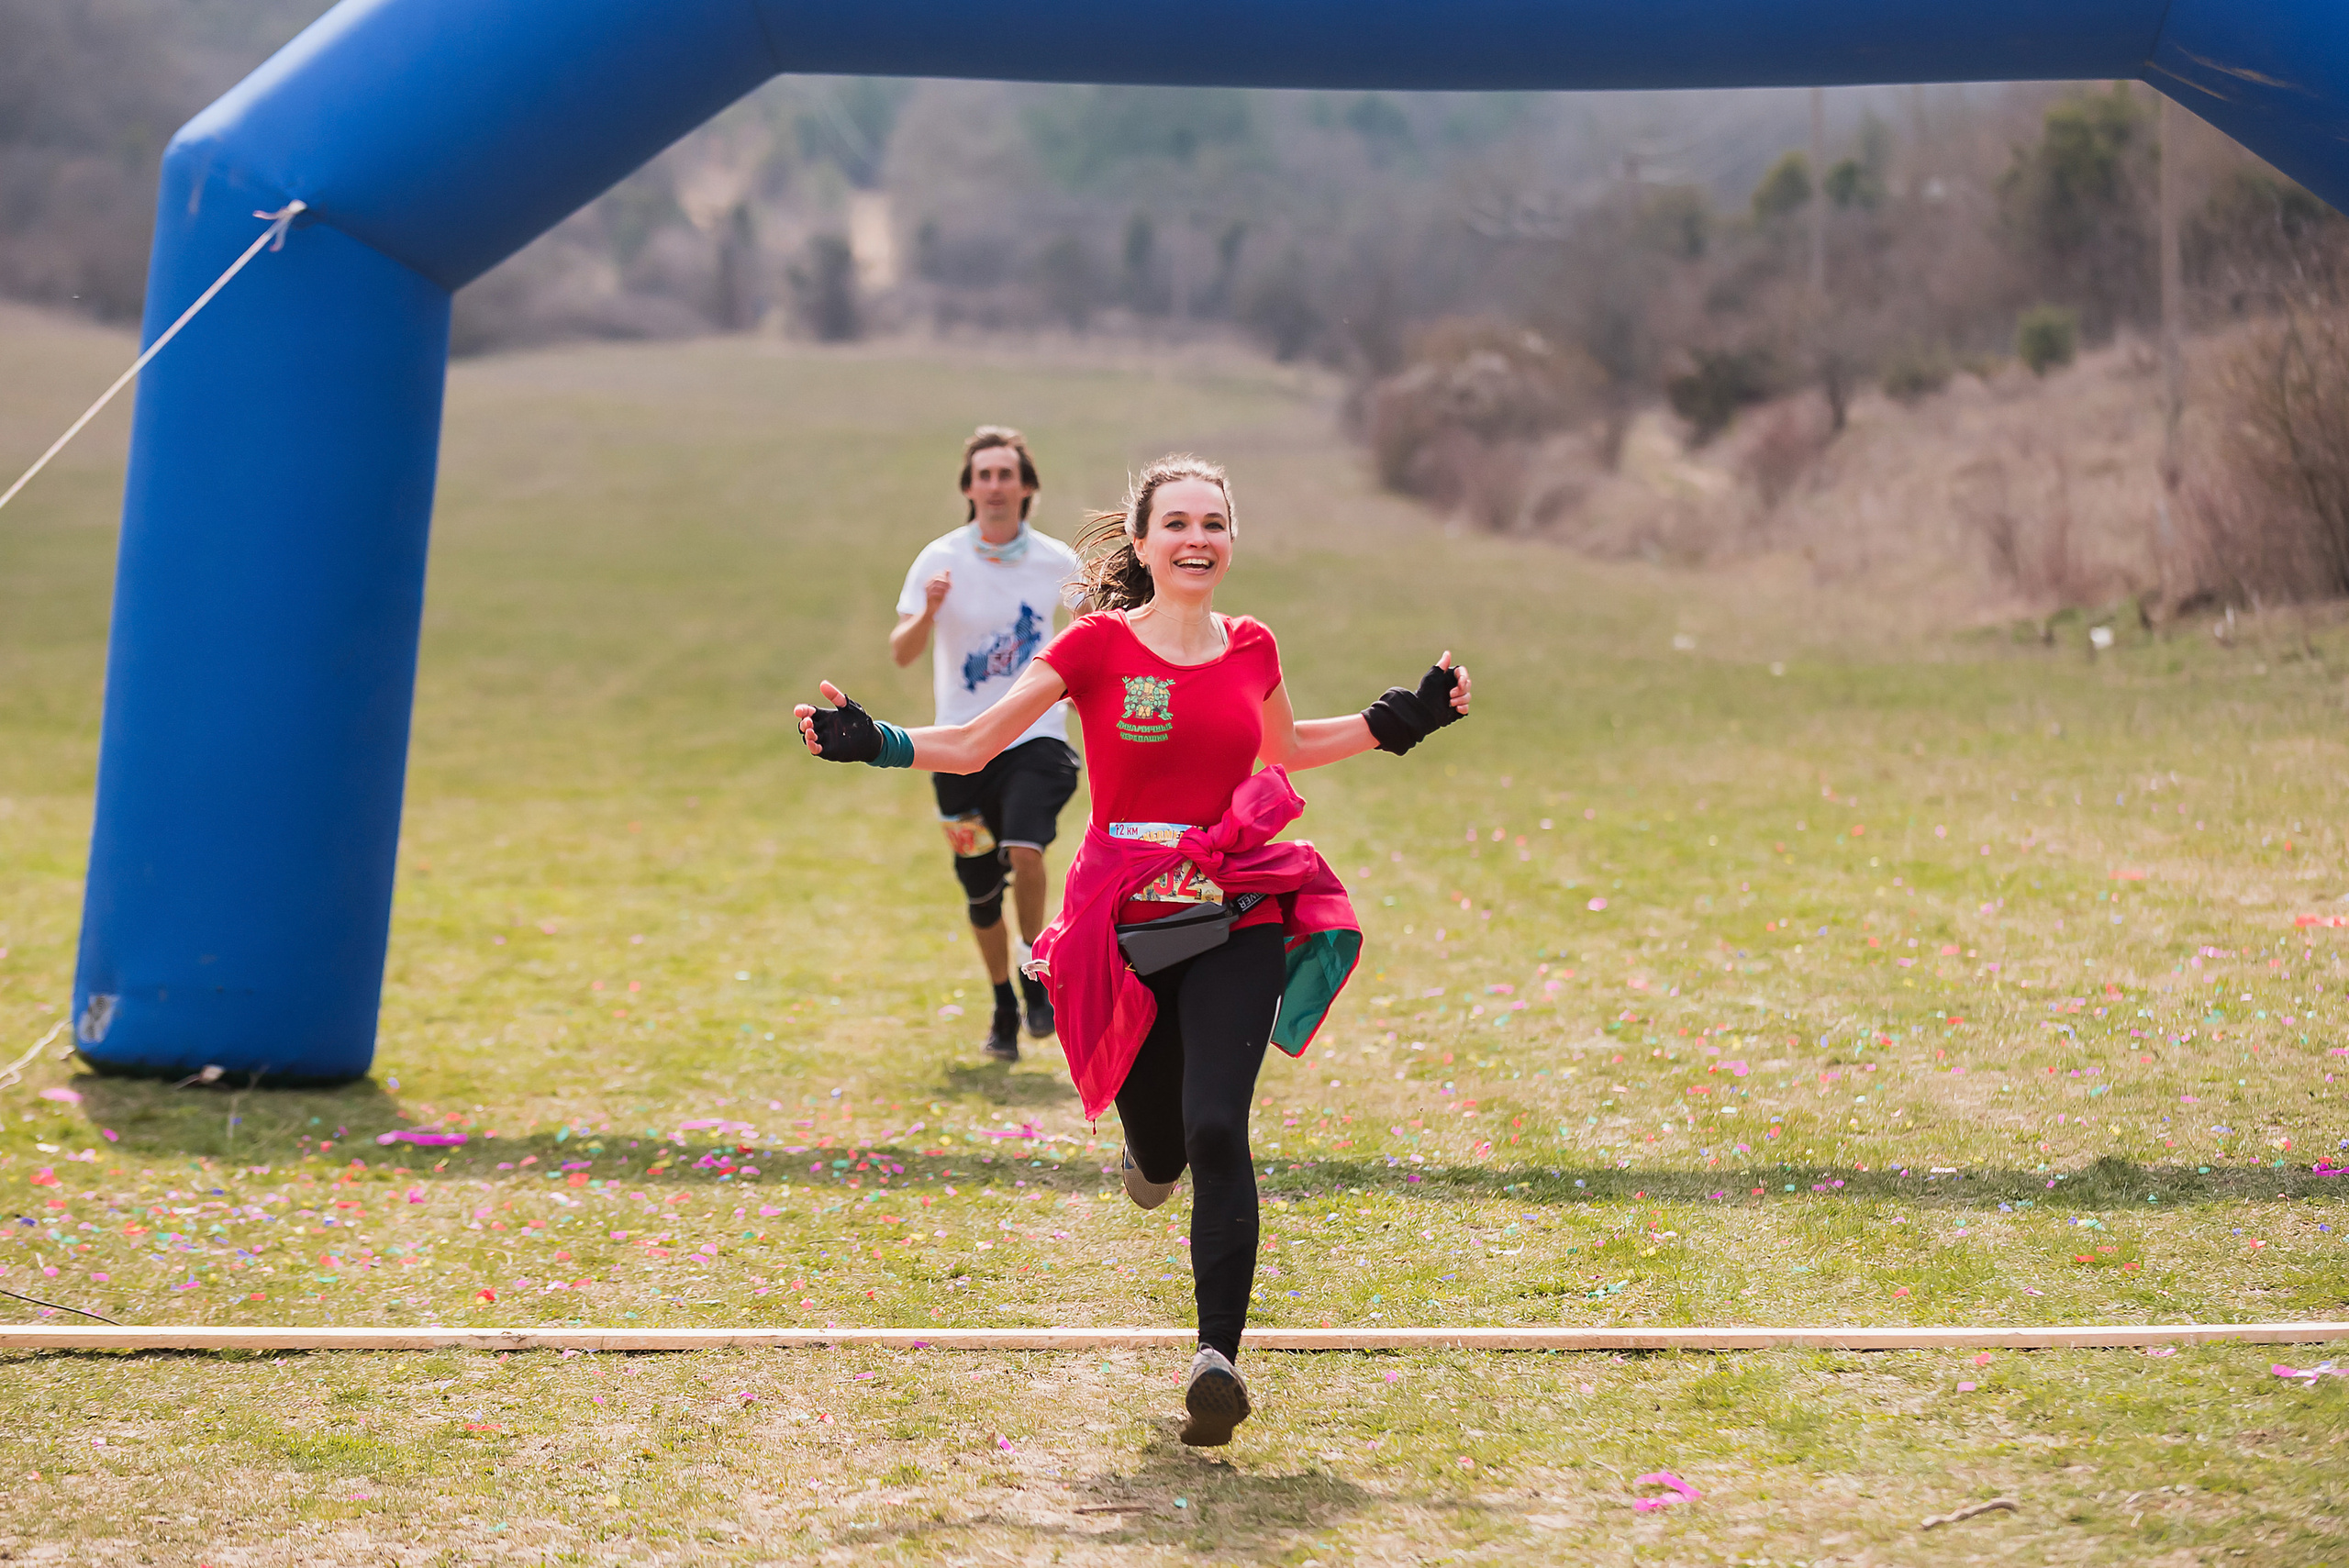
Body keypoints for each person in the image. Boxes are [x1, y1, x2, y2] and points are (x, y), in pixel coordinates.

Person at [797, 453, 1472, 1447]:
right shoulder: (1097, 646)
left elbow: (1282, 748)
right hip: (1124, 913)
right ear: (1145, 541)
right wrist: (877, 740)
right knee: (1159, 1147)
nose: (1198, 538)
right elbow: (979, 742)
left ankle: (1216, 1362)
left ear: (1228, 538)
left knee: (1215, 1127)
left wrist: (1400, 719)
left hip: (1235, 896)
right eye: (1179, 523)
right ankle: (1143, 1156)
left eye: (1214, 522)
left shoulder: (1253, 645)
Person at [890, 427, 1083, 1062]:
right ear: (968, 488)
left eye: (1006, 474)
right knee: (979, 890)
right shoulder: (939, 559)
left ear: (1026, 487)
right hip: (959, 749)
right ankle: (1003, 1003)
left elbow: (1097, 628)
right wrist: (928, 610)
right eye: (984, 475)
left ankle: (1035, 976)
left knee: (1027, 851)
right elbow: (902, 652)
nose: (995, 486)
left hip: (1036, 737)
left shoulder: (1056, 560)